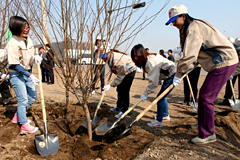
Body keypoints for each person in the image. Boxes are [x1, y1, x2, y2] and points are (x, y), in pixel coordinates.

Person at [165, 4, 238, 144]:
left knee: (205, 97)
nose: (173, 24)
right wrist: (187, 68)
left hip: (225, 61)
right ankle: (203, 125)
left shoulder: (193, 28)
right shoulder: (187, 29)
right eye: (171, 22)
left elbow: (189, 55)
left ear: (183, 16)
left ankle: (208, 134)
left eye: (175, 20)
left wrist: (178, 74)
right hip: (218, 62)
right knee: (204, 96)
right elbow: (196, 53)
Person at [5, 16, 40, 133]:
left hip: (27, 72)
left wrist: (35, 58)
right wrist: (29, 75)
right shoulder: (12, 43)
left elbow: (28, 57)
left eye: (27, 26)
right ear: (16, 28)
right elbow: (14, 64)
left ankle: (17, 115)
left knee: (32, 97)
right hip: (16, 74)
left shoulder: (28, 40)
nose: (27, 29)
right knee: (23, 100)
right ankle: (24, 124)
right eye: (23, 27)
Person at [131, 44, 176, 127]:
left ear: (142, 54)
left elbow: (153, 83)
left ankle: (159, 121)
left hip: (172, 75)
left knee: (160, 98)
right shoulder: (148, 58)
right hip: (168, 75)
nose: (136, 59)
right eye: (134, 57)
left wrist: (145, 94)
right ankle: (165, 115)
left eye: (137, 56)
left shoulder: (150, 62)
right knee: (162, 96)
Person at [101, 49, 136, 118]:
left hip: (130, 71)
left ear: (108, 55)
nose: (103, 60)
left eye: (104, 58)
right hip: (123, 71)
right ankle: (119, 106)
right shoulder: (110, 58)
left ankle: (124, 110)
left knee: (125, 91)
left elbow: (121, 76)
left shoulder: (117, 61)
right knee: (119, 89)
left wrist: (110, 85)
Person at [219, 37, 240, 106]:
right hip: (233, 69)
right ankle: (227, 100)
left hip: (237, 70)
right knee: (230, 85)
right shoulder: (233, 49)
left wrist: (232, 74)